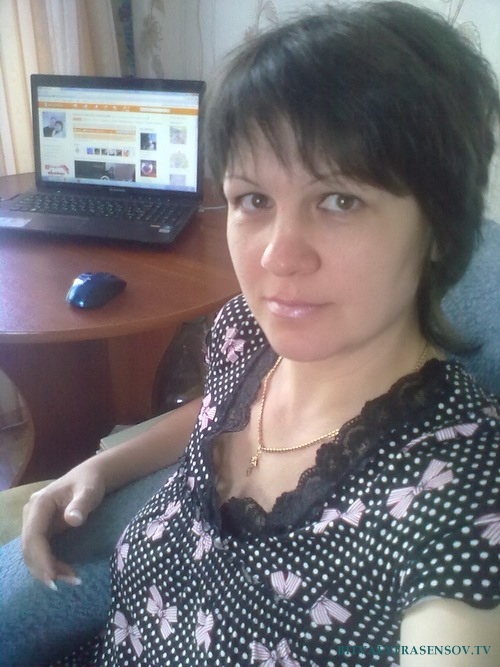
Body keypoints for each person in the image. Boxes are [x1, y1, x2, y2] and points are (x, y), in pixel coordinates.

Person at [1, 2, 499, 665]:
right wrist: (96, 466)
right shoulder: (245, 331)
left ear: (439, 227)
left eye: (340, 200)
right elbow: (215, 410)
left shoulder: (456, 491)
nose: (276, 257)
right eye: (254, 199)